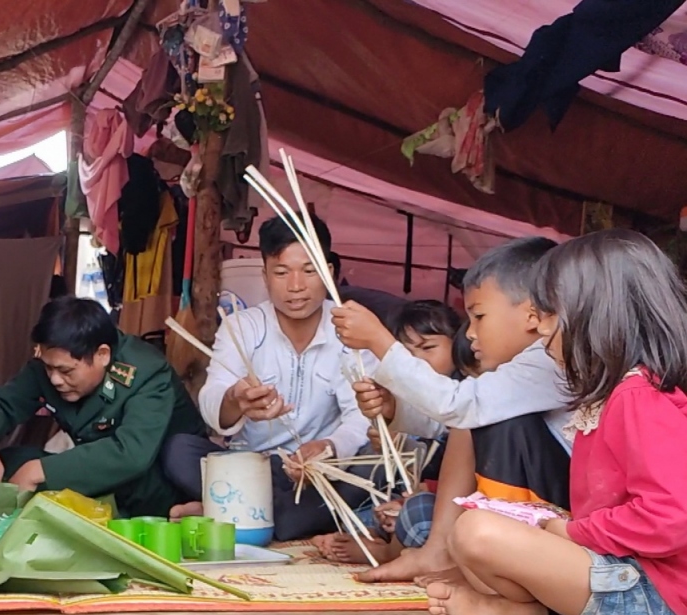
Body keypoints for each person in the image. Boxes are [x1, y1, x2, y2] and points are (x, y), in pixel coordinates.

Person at [426, 229, 687, 615]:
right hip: (621, 574)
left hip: (652, 595)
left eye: (548, 311)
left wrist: (570, 531)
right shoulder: (609, 394)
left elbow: (671, 517)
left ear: (596, 314)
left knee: (478, 532)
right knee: (471, 533)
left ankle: (535, 610)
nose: (537, 324)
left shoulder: (637, 397)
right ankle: (530, 611)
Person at [331, 236, 571, 583]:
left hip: (563, 517)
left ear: (532, 314)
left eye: (479, 316)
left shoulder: (546, 359)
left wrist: (380, 343)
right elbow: (458, 415)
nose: (470, 334)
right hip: (550, 507)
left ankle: (448, 552)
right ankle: (438, 550)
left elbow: (459, 406)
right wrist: (394, 408)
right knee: (473, 415)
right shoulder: (524, 370)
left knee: (475, 413)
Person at [163, 216, 373, 542]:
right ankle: (270, 513)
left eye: (309, 270)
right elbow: (211, 399)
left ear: (330, 273)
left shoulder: (350, 330)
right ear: (264, 276)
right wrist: (235, 400)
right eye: (281, 272)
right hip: (254, 468)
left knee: (373, 467)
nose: (295, 285)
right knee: (178, 449)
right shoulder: (242, 327)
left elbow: (361, 419)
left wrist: (330, 447)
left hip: (321, 473)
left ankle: (228, 509)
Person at [0, 296, 206, 518]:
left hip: (152, 478)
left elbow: (131, 454)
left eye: (65, 371)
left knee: (118, 480)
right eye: (49, 368)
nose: (54, 379)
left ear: (102, 355)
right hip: (92, 468)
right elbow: (2, 403)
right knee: (6, 462)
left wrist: (40, 471)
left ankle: (173, 513)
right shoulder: (53, 363)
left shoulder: (146, 372)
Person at [320, 300, 466, 564]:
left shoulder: (466, 390)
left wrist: (420, 489)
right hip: (414, 492)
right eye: (408, 353)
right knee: (364, 514)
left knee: (418, 515)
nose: (418, 361)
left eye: (428, 348)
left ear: (456, 343)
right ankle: (388, 534)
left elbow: (446, 456)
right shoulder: (402, 392)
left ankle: (388, 551)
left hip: (444, 501)